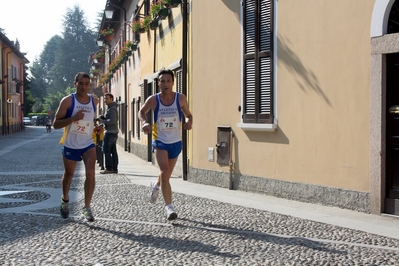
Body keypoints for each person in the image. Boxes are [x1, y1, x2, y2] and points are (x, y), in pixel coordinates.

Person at [138, 69, 193, 220]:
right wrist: (145, 122)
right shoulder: (153, 99)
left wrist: (189, 122)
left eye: (168, 81)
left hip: (175, 142)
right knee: (165, 172)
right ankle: (169, 207)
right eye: (162, 81)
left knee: (166, 174)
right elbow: (141, 112)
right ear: (158, 83)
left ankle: (156, 186)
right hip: (160, 140)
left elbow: (189, 115)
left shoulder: (180, 98)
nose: (166, 84)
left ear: (173, 82)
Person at [53, 72, 100, 222]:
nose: (84, 87)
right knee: (69, 175)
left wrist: (97, 127)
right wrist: (72, 118)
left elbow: (91, 120)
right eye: (81, 83)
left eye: (87, 84)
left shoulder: (94, 101)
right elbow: (55, 124)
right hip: (71, 144)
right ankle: (65, 200)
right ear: (75, 84)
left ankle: (87, 208)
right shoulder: (67, 101)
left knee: (91, 173)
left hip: (87, 143)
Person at [98, 93, 119, 174]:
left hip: (110, 132)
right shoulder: (110, 108)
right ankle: (114, 168)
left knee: (106, 150)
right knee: (113, 151)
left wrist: (103, 121)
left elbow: (112, 121)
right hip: (113, 132)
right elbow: (109, 119)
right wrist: (103, 119)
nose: (105, 100)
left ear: (111, 99)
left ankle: (109, 168)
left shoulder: (112, 109)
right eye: (104, 98)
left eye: (107, 98)